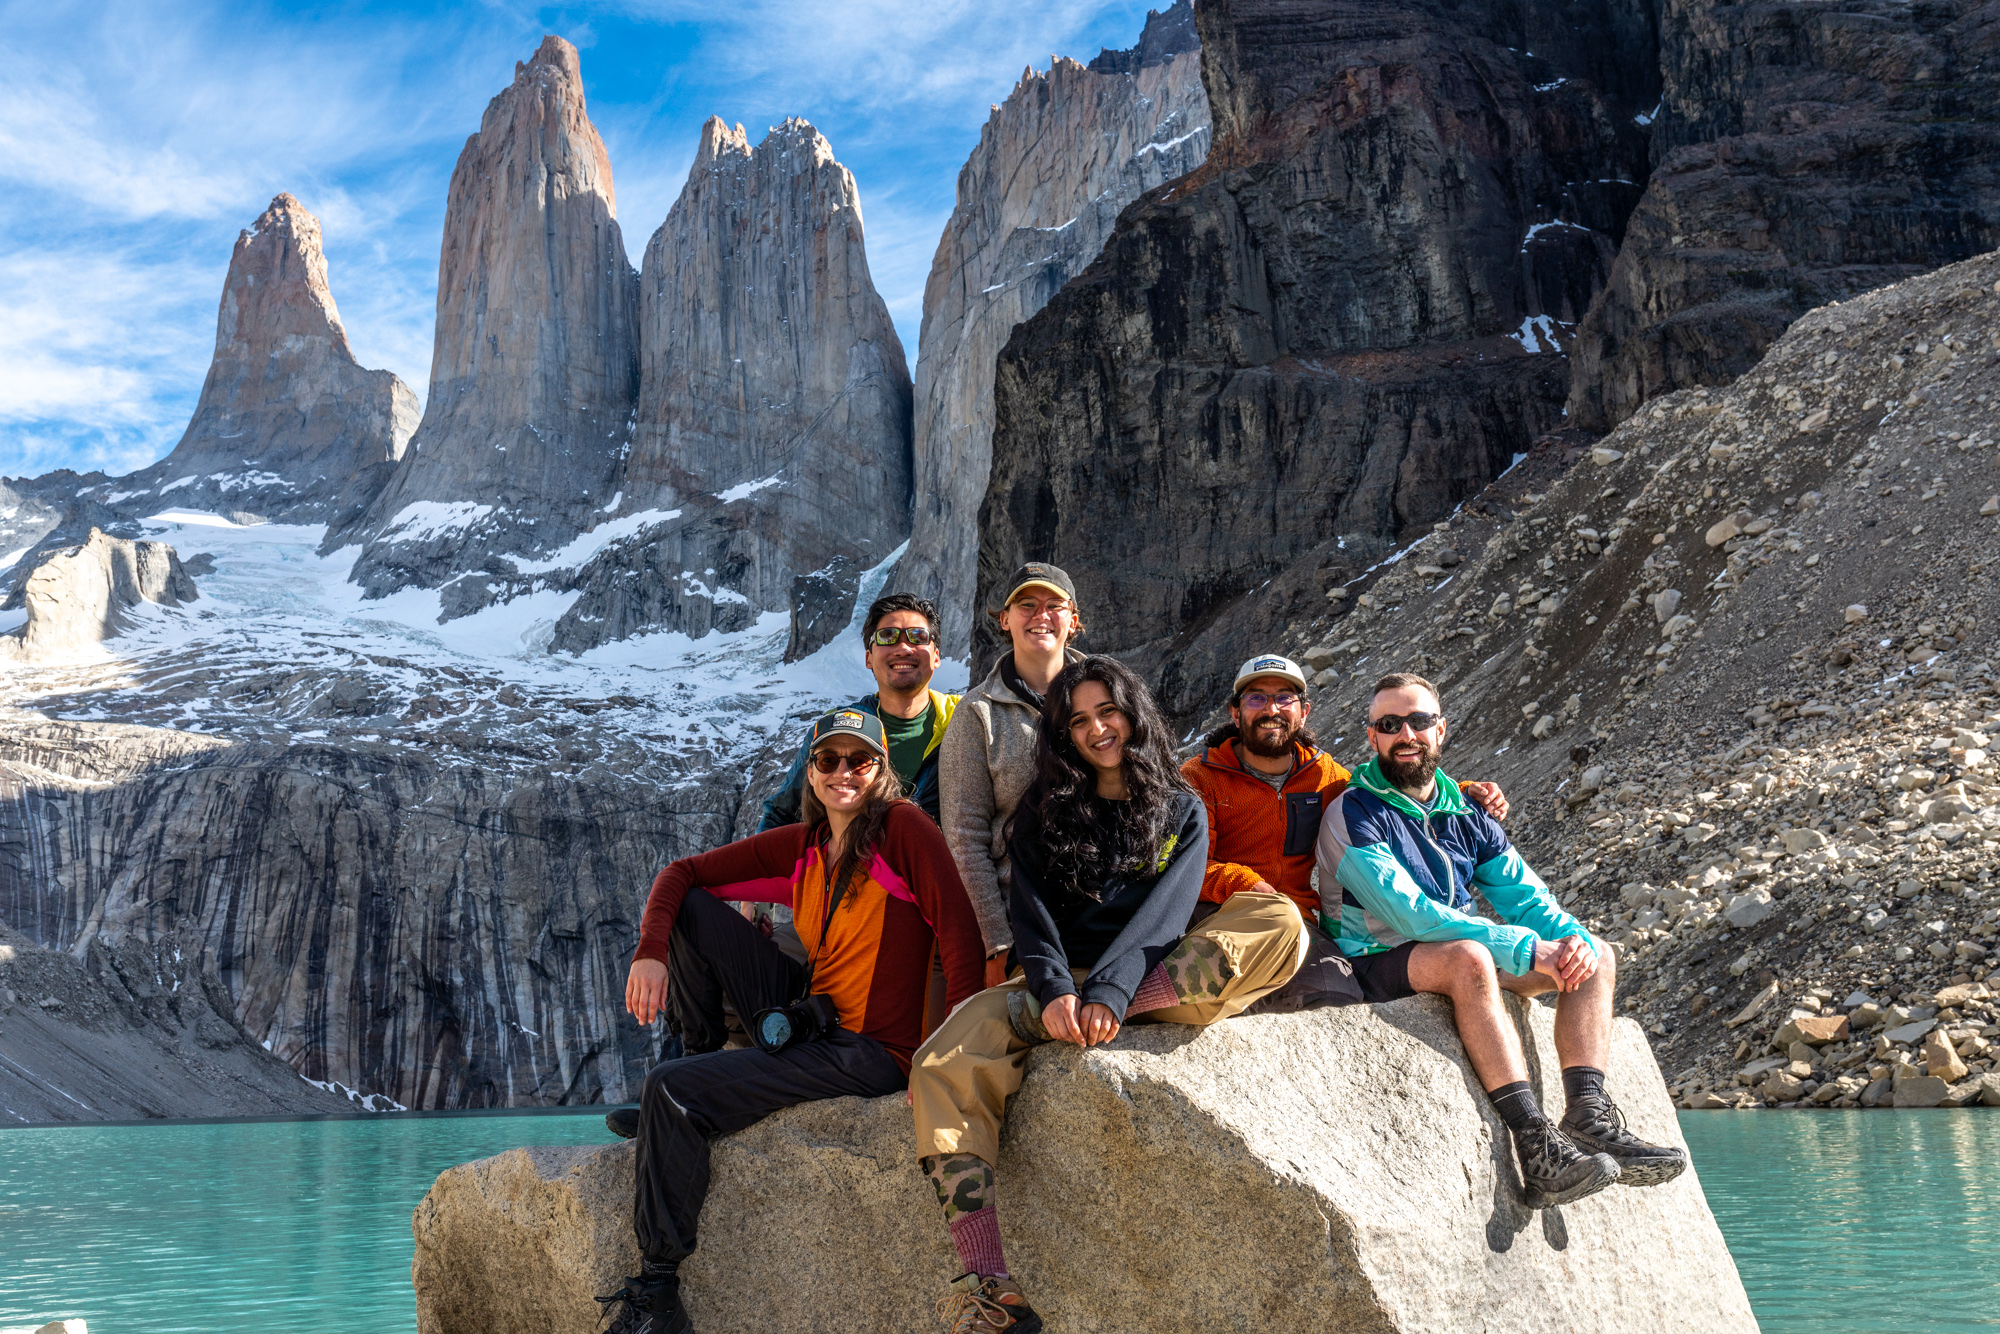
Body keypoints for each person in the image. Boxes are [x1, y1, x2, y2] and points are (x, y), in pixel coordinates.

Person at [911, 656, 1307, 1332]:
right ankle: (989, 1287)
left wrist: (1117, 994)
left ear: (1133, 713)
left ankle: (1124, 1009)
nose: (1098, 729)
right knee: (940, 1062)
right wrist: (1059, 991)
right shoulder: (1041, 811)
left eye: (1109, 712)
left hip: (1153, 979)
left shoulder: (1179, 805)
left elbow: (1169, 915)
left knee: (1280, 922)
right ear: (1062, 734)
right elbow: (1031, 918)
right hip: (1054, 992)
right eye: (1080, 720)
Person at [599, 709, 986, 1334]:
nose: (842, 773)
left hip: (868, 1051)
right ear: (810, 772)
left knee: (669, 1091)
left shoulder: (904, 829)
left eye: (858, 761)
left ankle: (658, 1294)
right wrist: (649, 951)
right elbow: (682, 875)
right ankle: (694, 1061)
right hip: (810, 1022)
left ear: (881, 770)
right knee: (694, 910)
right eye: (827, 760)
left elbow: (961, 933)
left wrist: (952, 1056)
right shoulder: (805, 847)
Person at [1316, 672, 1687, 1209]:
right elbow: (1411, 915)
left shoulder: (1466, 812)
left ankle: (1588, 1116)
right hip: (1376, 957)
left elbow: (1527, 898)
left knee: (1597, 954)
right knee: (1469, 958)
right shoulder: (1352, 813)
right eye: (1390, 725)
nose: (1406, 735)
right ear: (1371, 738)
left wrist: (1568, 941)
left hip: (1456, 947)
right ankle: (1536, 1145)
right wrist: (1525, 948)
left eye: (1418, 721)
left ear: (1440, 730)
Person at [1184, 652, 1512, 1008]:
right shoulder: (1200, 776)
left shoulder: (1324, 776)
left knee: (1339, 993)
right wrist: (1248, 885)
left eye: (1284, 698)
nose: (1272, 710)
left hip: (1298, 920)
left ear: (1304, 711)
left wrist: (1458, 793)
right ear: (1235, 712)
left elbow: (1385, 794)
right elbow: (1183, 866)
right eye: (1257, 698)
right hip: (1218, 910)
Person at [939, 562, 1086, 989]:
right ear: (1005, 620)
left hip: (1104, 906)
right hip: (1021, 918)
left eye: (1053, 605)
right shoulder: (976, 715)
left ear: (1072, 620)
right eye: (1026, 605)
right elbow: (965, 836)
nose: (1041, 615)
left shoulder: (1108, 696)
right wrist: (997, 943)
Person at [762, 593, 959, 828]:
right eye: (888, 636)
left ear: (936, 656)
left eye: (918, 636)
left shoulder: (966, 717)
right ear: (869, 658)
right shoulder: (834, 728)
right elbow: (781, 814)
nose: (904, 648)